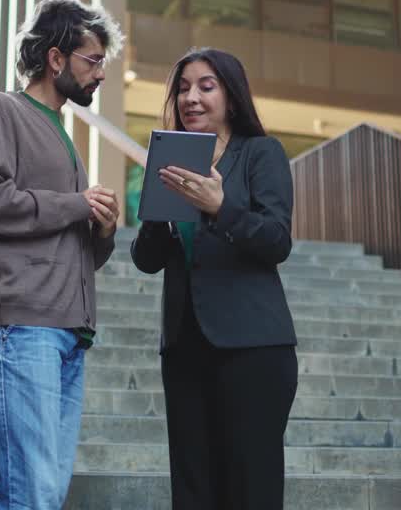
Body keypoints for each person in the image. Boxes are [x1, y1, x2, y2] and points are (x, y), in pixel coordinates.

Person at [0, 0, 124, 510]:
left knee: (44, 494)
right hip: (19, 328)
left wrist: (102, 228)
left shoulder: (63, 136)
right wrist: (74, 204)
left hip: (66, 334)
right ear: (56, 59)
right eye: (92, 60)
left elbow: (73, 252)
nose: (100, 74)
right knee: (30, 494)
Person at [130, 47, 298, 509]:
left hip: (253, 348)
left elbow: (276, 240)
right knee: (193, 489)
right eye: (183, 88)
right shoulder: (172, 165)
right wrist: (157, 209)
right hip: (185, 348)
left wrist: (220, 207)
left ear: (231, 95)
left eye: (206, 86)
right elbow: (146, 259)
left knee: (251, 488)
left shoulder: (260, 153)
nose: (191, 98)